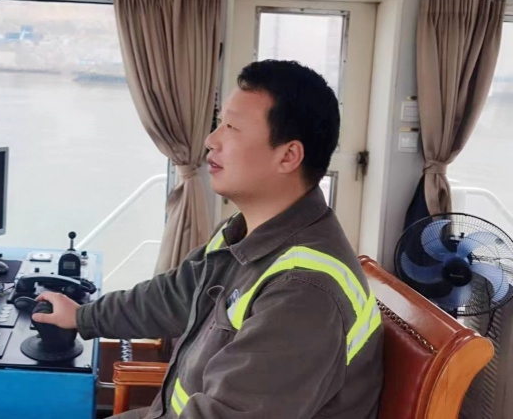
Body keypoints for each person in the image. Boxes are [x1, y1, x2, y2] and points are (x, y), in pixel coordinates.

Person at [34, 60, 384, 418]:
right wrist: (83, 316)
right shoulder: (245, 233)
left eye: (232, 127)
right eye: (219, 124)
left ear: (288, 155)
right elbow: (173, 296)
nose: (211, 140)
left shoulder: (304, 291)